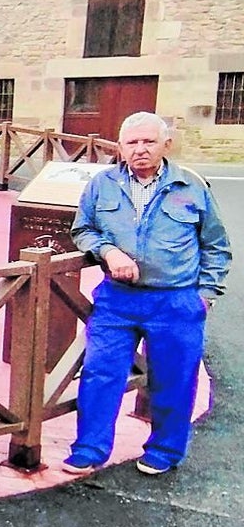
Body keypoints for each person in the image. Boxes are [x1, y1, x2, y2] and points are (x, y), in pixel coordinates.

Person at [64, 111, 231, 476]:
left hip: (175, 300)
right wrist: (108, 251)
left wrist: (205, 294)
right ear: (120, 147)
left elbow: (216, 246)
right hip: (117, 299)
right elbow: (83, 229)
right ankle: (89, 448)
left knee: (174, 377)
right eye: (132, 142)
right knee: (99, 372)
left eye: (148, 142)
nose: (140, 149)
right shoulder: (102, 184)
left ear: (165, 145)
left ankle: (164, 450)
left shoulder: (191, 186)